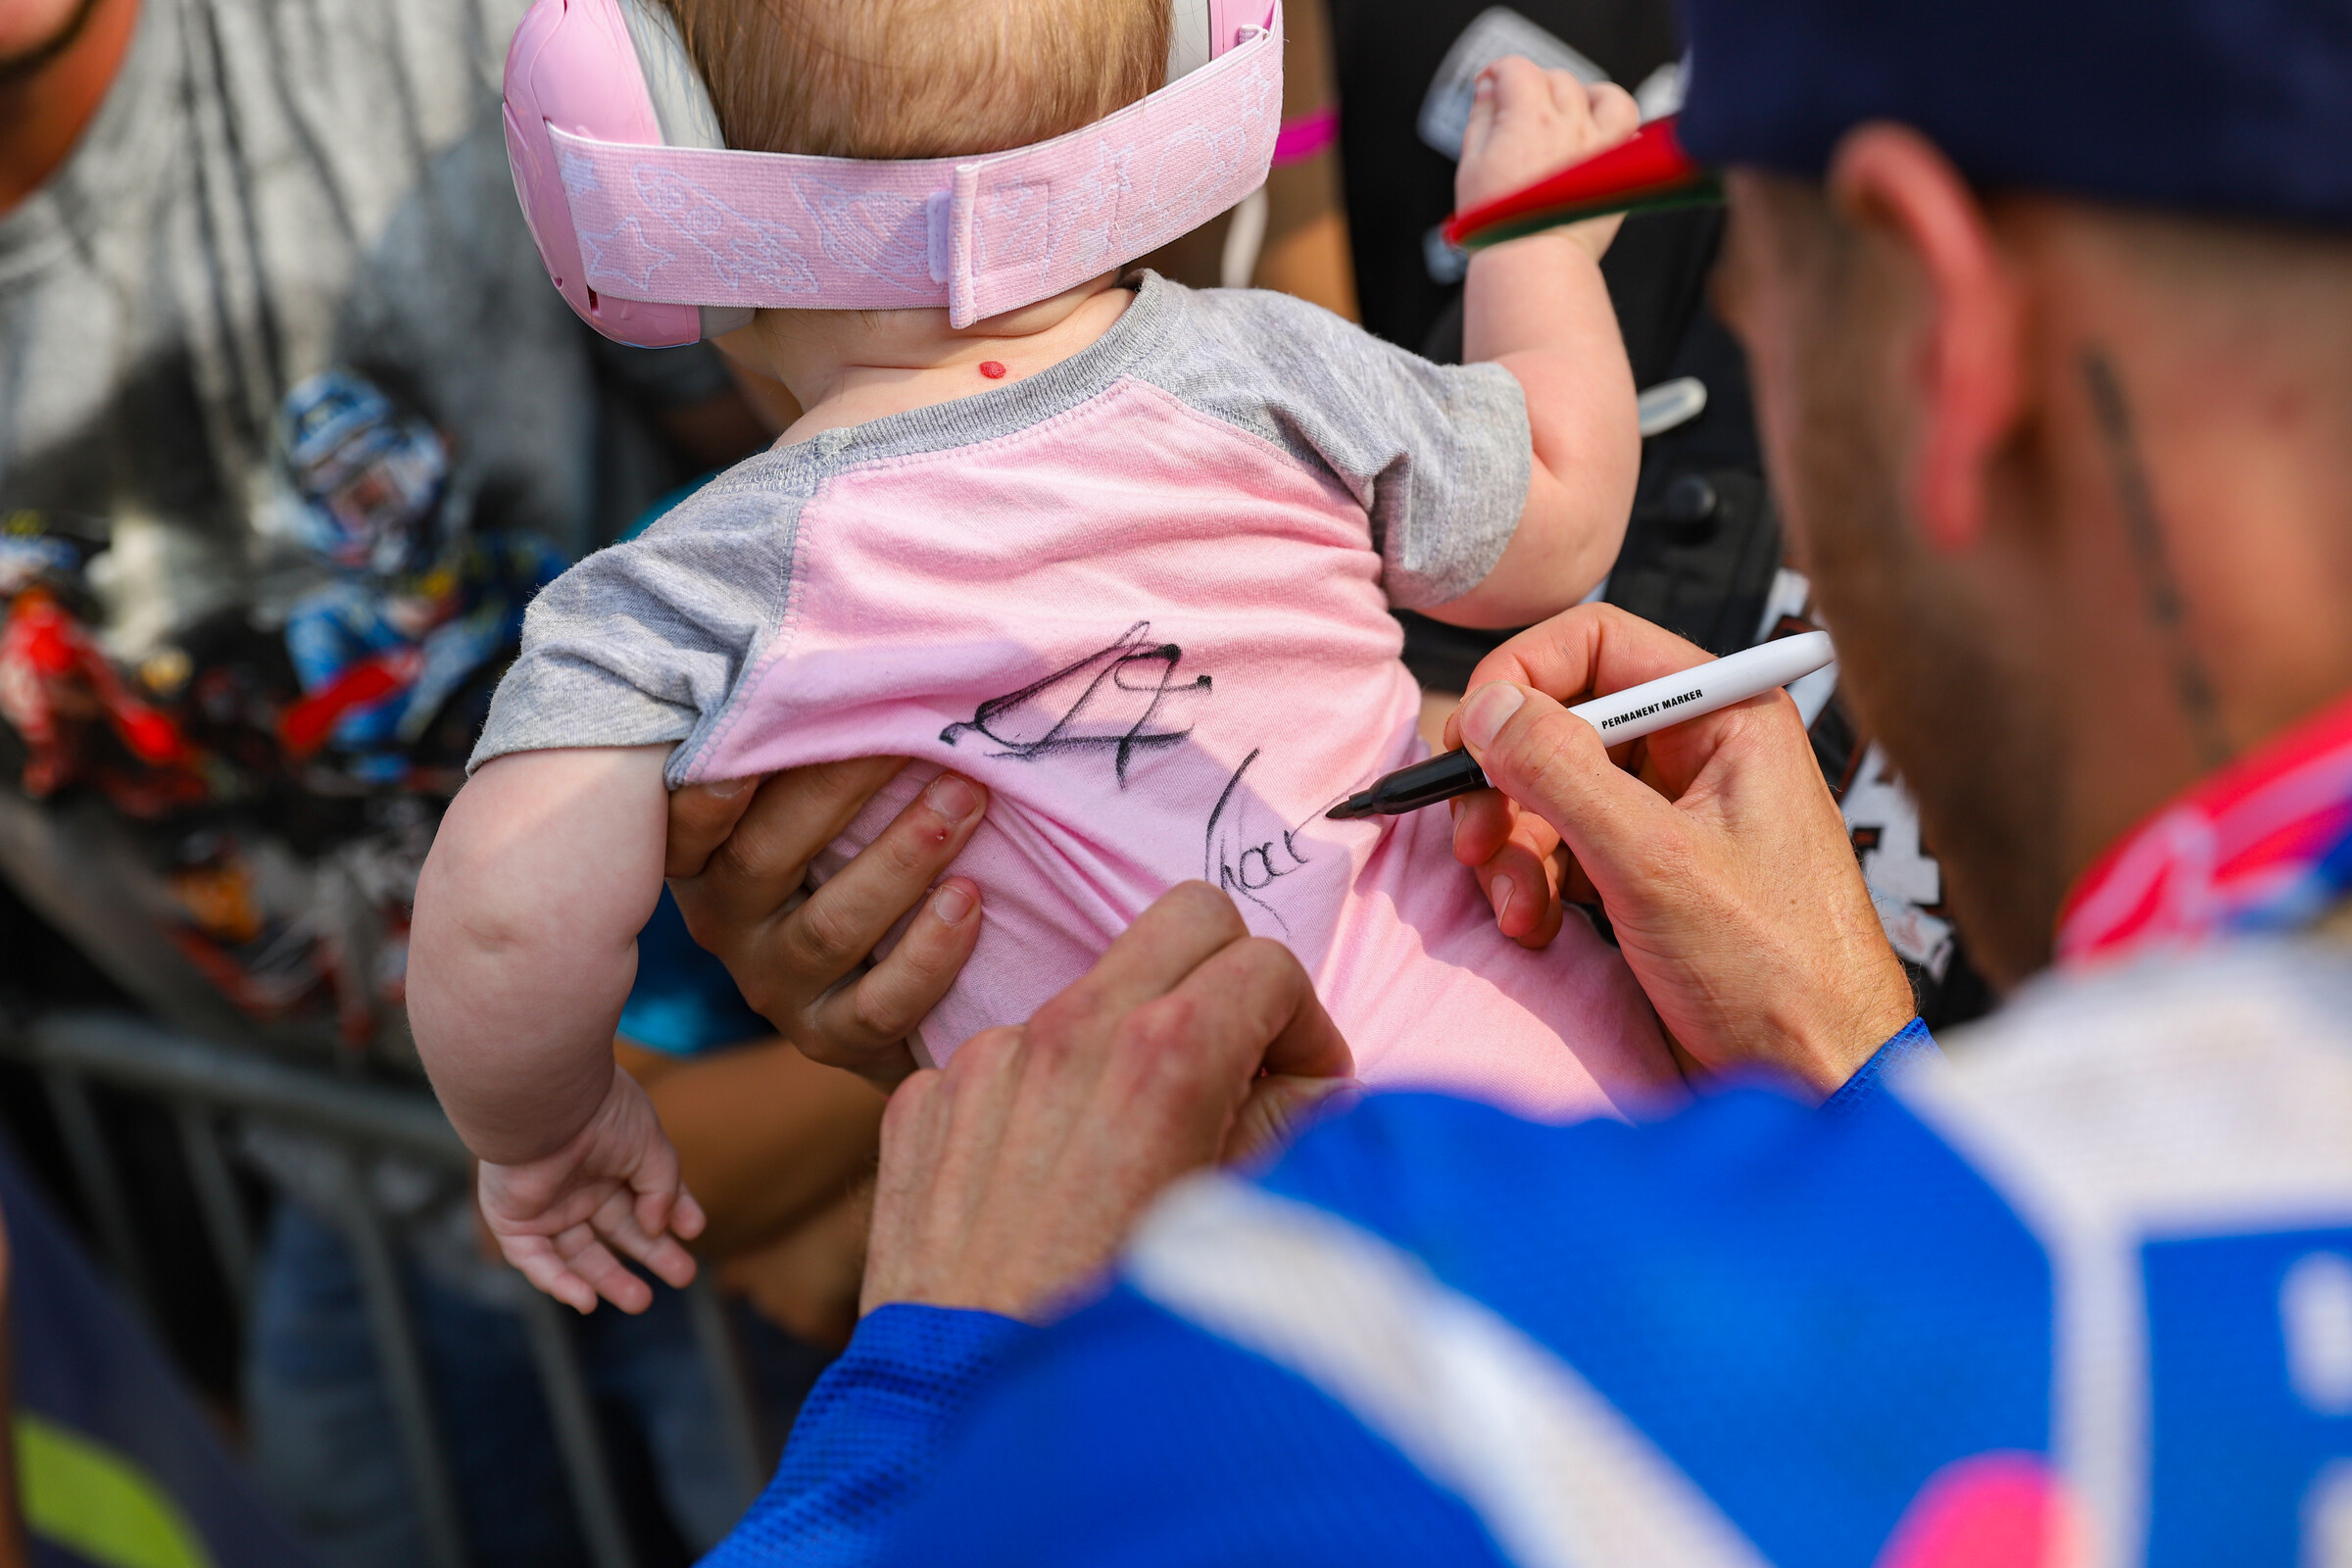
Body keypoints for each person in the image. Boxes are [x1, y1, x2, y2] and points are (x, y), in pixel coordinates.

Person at [638, 0, 2352, 1558]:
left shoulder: (1393, 1360)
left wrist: (954, 1359)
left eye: (1754, 277)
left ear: (1940, 336)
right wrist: (1852, 1070)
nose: (1750, 335)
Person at [409, 0, 1684, 1315]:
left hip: (1189, 1291)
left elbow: (506, 918)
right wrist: (1537, 239)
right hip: (1568, 1133)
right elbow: (1558, 505)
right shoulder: (1270, 372)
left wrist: (549, 1135)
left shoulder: (684, 595)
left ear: (631, 147)